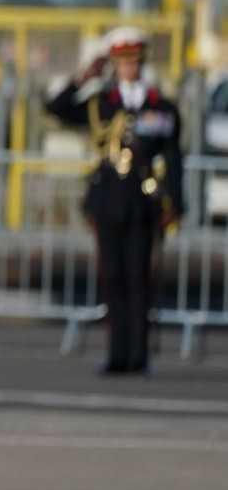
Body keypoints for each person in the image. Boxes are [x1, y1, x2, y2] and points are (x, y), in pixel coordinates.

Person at [45, 26, 182, 375]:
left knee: (139, 279)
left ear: (142, 63)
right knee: (113, 278)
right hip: (107, 201)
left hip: (143, 203)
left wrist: (176, 204)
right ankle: (117, 355)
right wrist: (83, 77)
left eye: (133, 61)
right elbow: (56, 108)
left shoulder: (160, 105)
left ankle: (139, 356)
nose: (128, 68)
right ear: (113, 65)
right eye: (122, 62)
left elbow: (173, 157)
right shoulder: (101, 103)